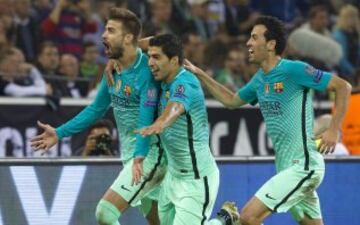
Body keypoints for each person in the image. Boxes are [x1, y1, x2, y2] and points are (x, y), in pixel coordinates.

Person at [185, 16, 352, 225]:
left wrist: (333, 129)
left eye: (254, 38)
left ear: (271, 44)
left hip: (304, 165)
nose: (248, 43)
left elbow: (343, 87)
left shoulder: (294, 70)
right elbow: (231, 100)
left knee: (248, 217)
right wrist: (199, 74)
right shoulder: (259, 79)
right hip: (286, 167)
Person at [31, 8, 166, 225]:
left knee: (105, 212)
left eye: (111, 31)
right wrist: (59, 132)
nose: (103, 35)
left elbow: (145, 122)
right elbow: (96, 109)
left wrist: (138, 160)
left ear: (129, 37)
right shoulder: (114, 70)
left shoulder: (148, 70)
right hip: (132, 156)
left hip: (150, 156)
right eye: (105, 30)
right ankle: (225, 220)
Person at [134, 34, 239, 225]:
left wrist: (161, 123)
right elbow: (135, 46)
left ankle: (224, 220)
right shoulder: (164, 79)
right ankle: (227, 218)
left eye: (156, 57)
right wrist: (123, 45)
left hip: (197, 179)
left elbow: (175, 106)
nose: (150, 62)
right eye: (149, 56)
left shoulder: (186, 82)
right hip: (172, 177)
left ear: (174, 60)